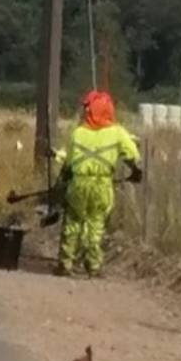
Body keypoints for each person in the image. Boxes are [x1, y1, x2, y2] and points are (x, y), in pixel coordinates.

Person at [56, 91, 142, 277]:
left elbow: (68, 162)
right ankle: (93, 266)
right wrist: (134, 171)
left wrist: (65, 178)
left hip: (78, 183)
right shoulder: (117, 132)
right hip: (102, 184)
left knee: (73, 221)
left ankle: (65, 263)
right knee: (96, 223)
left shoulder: (77, 133)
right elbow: (132, 155)